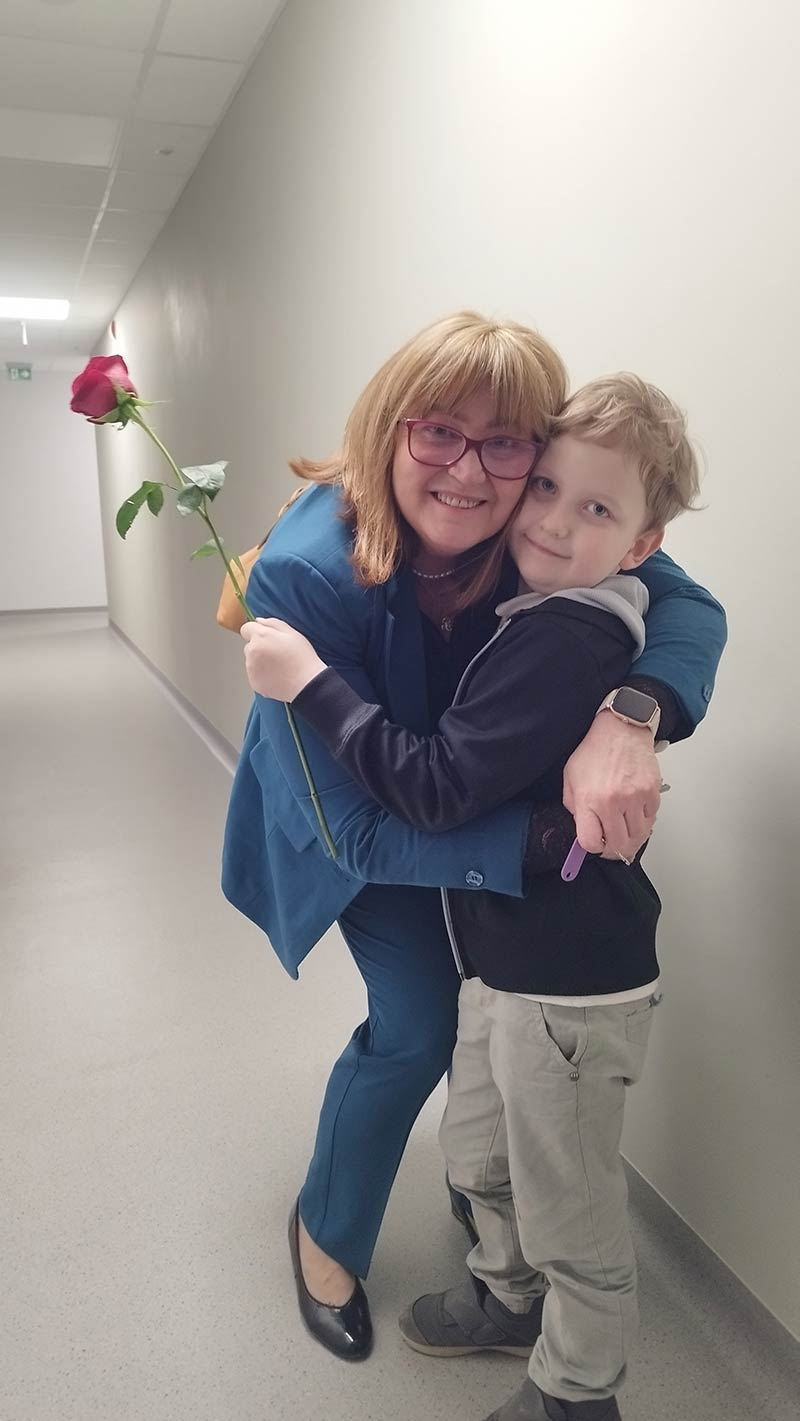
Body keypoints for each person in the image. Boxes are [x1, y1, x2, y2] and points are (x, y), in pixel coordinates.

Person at [223, 313, 727, 1363]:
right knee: (418, 1023)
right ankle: (327, 1228)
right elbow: (359, 830)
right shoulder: (307, 572)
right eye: (438, 432)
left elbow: (690, 607)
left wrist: (628, 714)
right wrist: (536, 845)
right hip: (360, 823)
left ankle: (488, 1210)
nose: (468, 471)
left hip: (461, 809)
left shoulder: (536, 517)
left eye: (503, 444)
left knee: (492, 1029)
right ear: (389, 427)